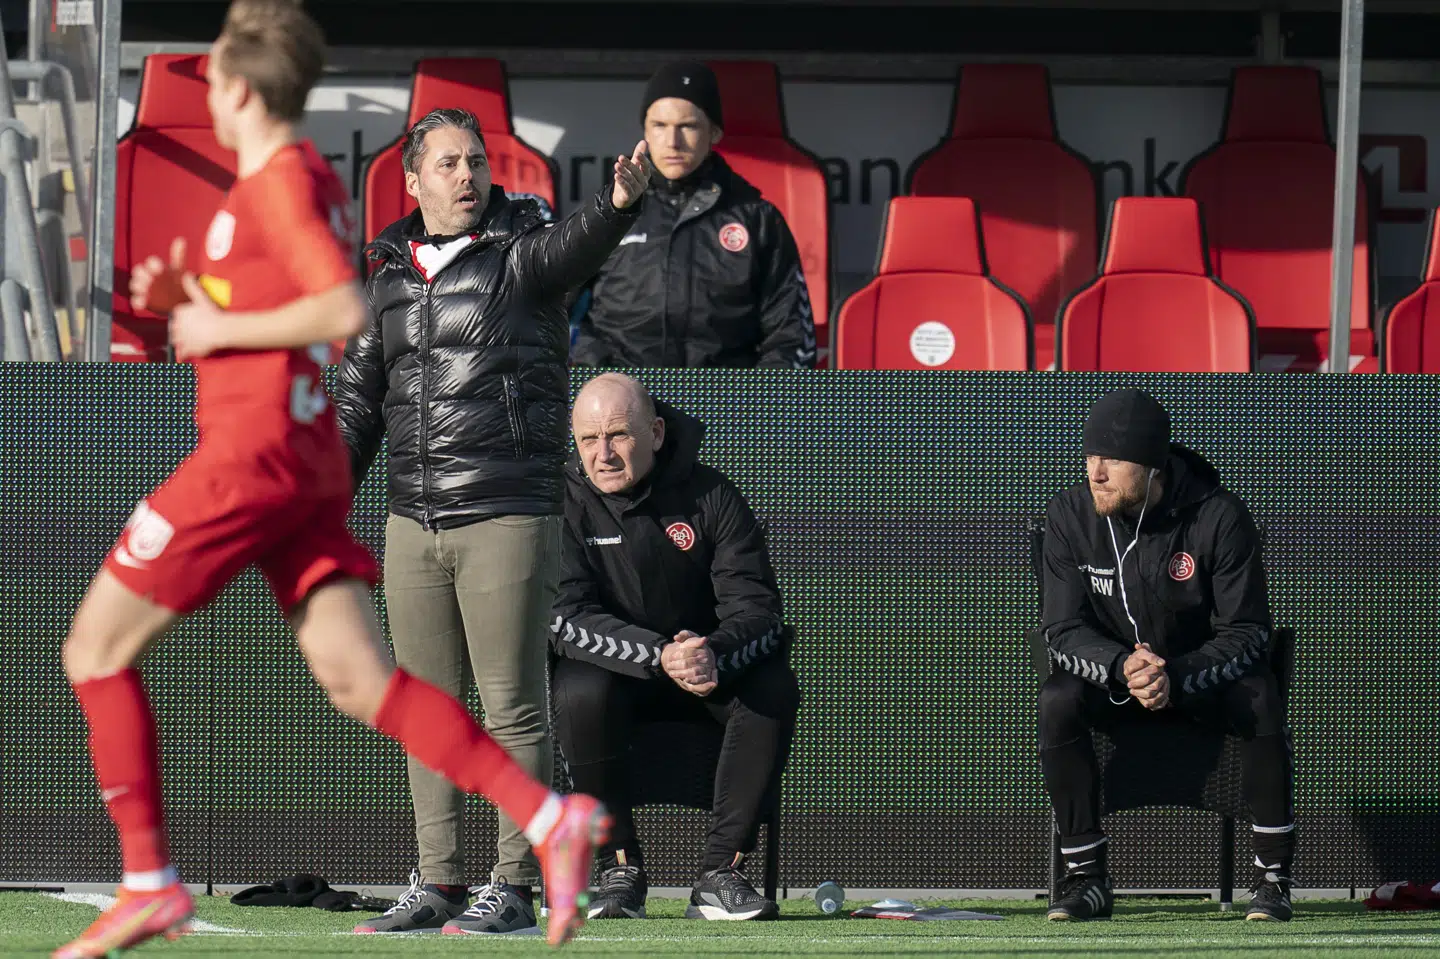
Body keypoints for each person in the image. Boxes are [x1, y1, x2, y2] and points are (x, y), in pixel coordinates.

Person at [52, 5, 617, 956]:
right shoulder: (296, 185)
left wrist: (216, 328)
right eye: (452, 164)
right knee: (371, 684)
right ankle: (543, 819)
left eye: (211, 87)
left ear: (234, 92)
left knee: (92, 650)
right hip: (313, 467)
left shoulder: (277, 184)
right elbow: (306, 310)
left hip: (250, 459)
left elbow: (332, 302)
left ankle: (148, 879)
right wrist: (187, 305)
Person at [332, 109, 648, 935]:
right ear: (412, 180)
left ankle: (512, 881)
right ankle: (437, 880)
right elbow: (358, 401)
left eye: (475, 160)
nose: (467, 175)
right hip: (412, 518)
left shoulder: (522, 248)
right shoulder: (390, 272)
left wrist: (616, 206)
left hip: (507, 508)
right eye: (448, 163)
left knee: (511, 705)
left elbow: (576, 245)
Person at [1037, 388, 1295, 923]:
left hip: (1198, 682)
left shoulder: (1219, 516)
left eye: (1112, 459)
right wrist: (1121, 667)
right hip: (1117, 681)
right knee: (1059, 698)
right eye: (1090, 456)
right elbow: (1061, 628)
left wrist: (1174, 676)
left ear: (1153, 465)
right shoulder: (1069, 514)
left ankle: (1272, 880)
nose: (1097, 471)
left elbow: (1247, 631)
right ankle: (1086, 880)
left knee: (1260, 694)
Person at [549, 373, 799, 921]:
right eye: (589, 440)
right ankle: (620, 869)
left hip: (706, 670)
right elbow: (565, 617)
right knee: (578, 689)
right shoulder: (560, 502)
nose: (604, 454)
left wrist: (711, 649)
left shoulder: (711, 494)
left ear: (657, 433)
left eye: (619, 435)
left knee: (772, 683)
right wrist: (657, 653)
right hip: (622, 673)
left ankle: (720, 874)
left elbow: (759, 610)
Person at [571, 61, 817, 369]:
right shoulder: (607, 211)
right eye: (659, 126)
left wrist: (758, 403)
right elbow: (547, 311)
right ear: (645, 131)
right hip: (620, 398)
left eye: (688, 126)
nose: (672, 142)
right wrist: (593, 376)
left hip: (724, 399)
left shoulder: (758, 219)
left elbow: (790, 337)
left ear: (714, 132)